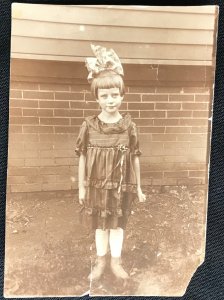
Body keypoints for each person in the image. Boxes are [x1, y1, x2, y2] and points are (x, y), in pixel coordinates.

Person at [75, 44, 146, 282]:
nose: (110, 100)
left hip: (120, 185)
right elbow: (83, 156)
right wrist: (82, 187)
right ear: (96, 97)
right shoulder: (89, 125)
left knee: (116, 224)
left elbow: (135, 156)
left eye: (115, 95)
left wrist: (138, 186)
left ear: (122, 95)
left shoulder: (129, 126)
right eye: (104, 96)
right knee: (100, 225)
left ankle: (116, 261)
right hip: (96, 185)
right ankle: (101, 260)